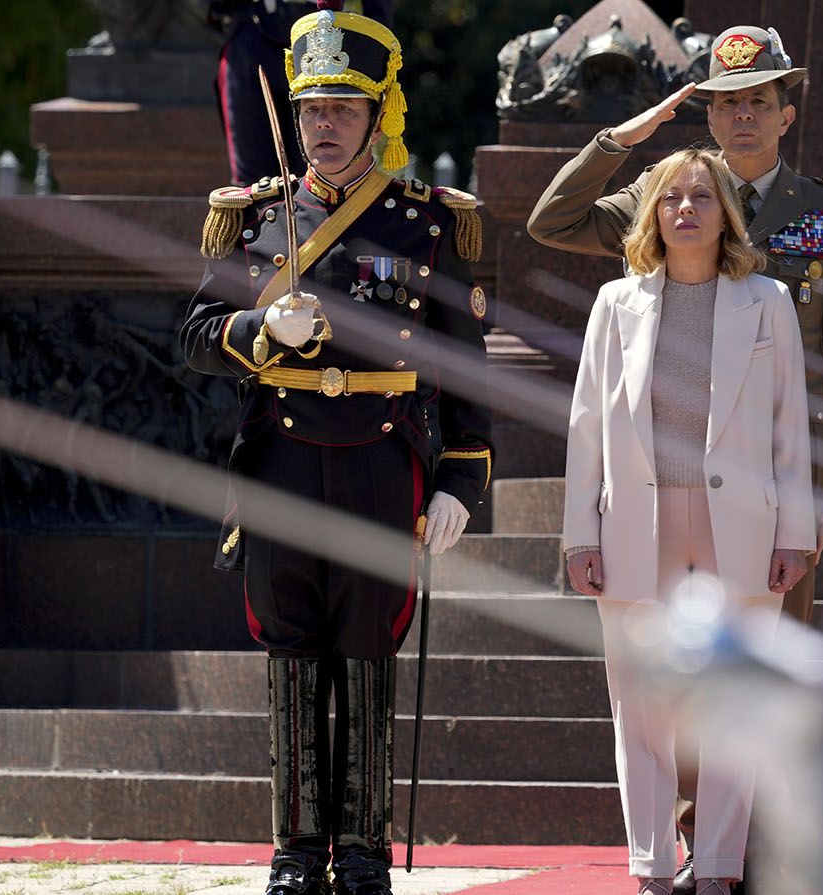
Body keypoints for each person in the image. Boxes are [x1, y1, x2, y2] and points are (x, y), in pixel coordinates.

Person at [178, 8, 491, 895]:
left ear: (378, 112)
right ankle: (293, 847)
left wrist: (461, 476)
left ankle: (360, 849)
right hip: (278, 457)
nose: (323, 124)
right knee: (289, 651)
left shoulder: (430, 223)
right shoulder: (252, 218)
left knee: (365, 645)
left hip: (381, 459)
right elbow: (196, 336)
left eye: (344, 108)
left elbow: (464, 370)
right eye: (312, 106)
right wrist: (256, 328)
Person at [529, 24, 823, 630]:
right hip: (659, 473)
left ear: (786, 116)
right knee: (653, 669)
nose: (744, 115)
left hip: (782, 467)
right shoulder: (660, 200)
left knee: (772, 656)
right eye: (728, 101)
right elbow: (551, 222)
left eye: (759, 100)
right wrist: (621, 140)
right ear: (708, 119)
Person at [560, 148, 816, 895]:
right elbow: (585, 426)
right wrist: (581, 533)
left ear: (726, 213)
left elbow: (790, 426)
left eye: (702, 196)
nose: (686, 209)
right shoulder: (616, 302)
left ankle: (720, 870)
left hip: (741, 527)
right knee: (641, 706)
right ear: (652, 213)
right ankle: (651, 867)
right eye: (671, 197)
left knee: (735, 701)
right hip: (636, 526)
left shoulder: (766, 300)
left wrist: (793, 532)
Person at [211, 0, 393, 185]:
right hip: (251, 33)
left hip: (326, 40)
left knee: (318, 175)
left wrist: (374, 46)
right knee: (253, 181)